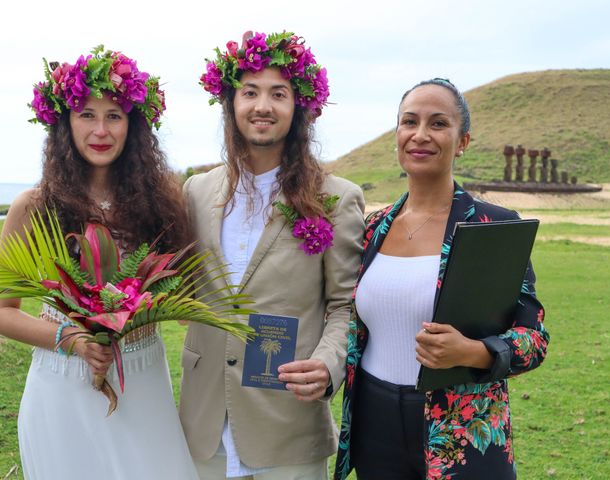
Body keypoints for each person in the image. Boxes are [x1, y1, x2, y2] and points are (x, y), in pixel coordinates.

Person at [334, 78, 550, 480]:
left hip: (460, 430)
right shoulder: (372, 228)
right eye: (409, 122)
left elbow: (534, 340)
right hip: (374, 421)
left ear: (462, 140)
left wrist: (472, 351)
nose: (420, 135)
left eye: (438, 124)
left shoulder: (494, 227)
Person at [0, 46, 199, 479]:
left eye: (115, 115)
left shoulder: (163, 204)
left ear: (134, 123)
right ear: (64, 123)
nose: (101, 129)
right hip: (61, 387)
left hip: (142, 381)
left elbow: (185, 298)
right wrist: (69, 337)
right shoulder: (33, 207)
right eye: (86, 114)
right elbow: (2, 311)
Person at [179, 30, 365, 480]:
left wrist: (328, 363)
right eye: (250, 92)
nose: (262, 106)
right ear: (231, 103)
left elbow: (347, 305)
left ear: (298, 107)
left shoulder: (336, 199)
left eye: (278, 94)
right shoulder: (196, 191)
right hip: (202, 425)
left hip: (287, 425)